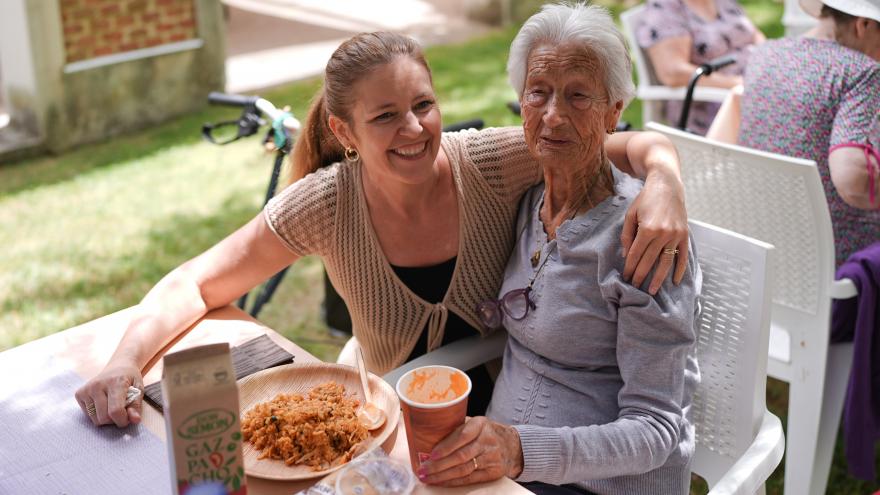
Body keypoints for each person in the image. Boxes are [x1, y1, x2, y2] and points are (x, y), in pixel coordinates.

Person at [75, 30, 691, 428]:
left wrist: (664, 178)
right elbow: (197, 281)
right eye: (386, 116)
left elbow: (625, 140)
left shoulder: (487, 161)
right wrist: (125, 362)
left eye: (424, 105)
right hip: (389, 416)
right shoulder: (325, 204)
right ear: (345, 133)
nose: (416, 130)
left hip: (511, 420)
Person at [419, 4, 700, 494]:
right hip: (499, 475)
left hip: (599, 484)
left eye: (578, 96)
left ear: (614, 111)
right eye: (539, 93)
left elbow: (657, 429)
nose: (553, 115)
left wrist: (520, 450)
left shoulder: (643, 236)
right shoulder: (529, 201)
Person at [734, 0, 880, 266]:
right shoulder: (861, 71)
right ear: (864, 25)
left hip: (760, 240)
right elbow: (853, 182)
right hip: (829, 248)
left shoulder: (764, 54)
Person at [635, 0, 764, 134]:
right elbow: (673, 73)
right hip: (717, 106)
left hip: (754, 83)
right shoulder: (665, 9)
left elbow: (754, 35)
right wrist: (740, 84)